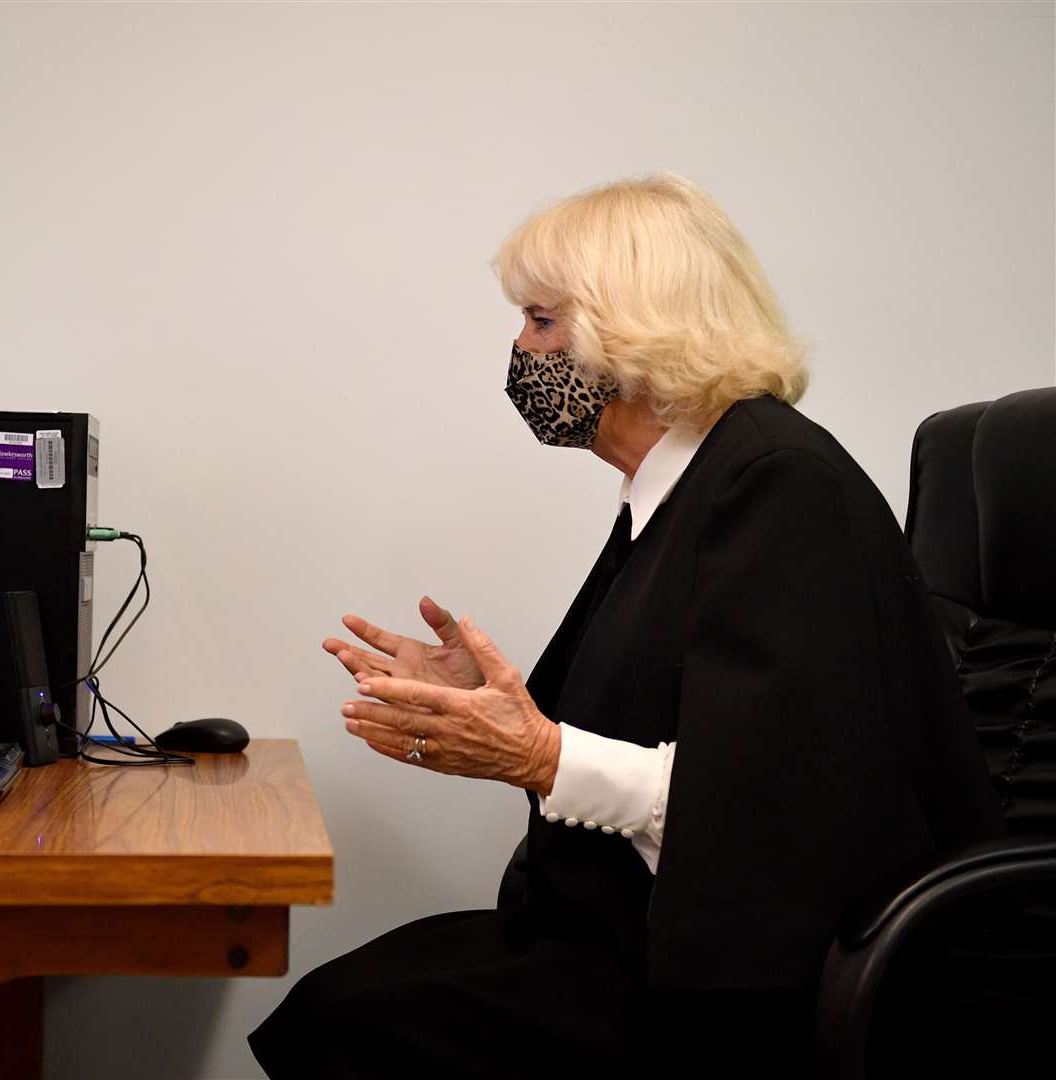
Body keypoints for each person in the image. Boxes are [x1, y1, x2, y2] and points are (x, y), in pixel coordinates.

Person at [248, 174, 1001, 1077]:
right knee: (349, 1002)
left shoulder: (779, 485)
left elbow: (779, 813)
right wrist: (491, 704)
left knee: (350, 1024)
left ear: (630, 327)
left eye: (540, 320)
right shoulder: (679, 489)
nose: (520, 350)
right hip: (623, 938)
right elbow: (672, 717)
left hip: (738, 993)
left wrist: (534, 755)